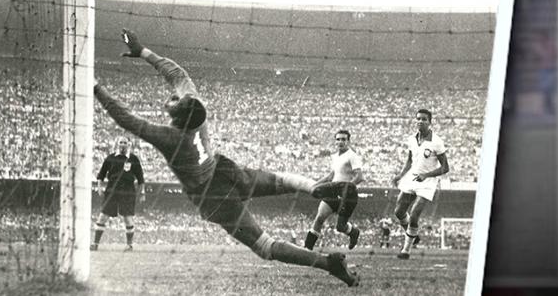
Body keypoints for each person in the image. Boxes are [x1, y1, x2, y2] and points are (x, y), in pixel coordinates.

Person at [93, 28, 359, 286]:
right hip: (226, 170)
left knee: (264, 246)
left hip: (212, 196)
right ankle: (315, 188)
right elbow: (176, 74)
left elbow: (125, 117)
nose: (173, 96)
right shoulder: (197, 109)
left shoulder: (170, 138)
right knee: (281, 181)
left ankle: (327, 263)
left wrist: (95, 87)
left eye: (173, 101)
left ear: (176, 116)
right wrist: (143, 52)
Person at [392, 109, 449, 259]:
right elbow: (410, 160)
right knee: (398, 211)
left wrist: (426, 175)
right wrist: (400, 175)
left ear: (430, 122)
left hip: (428, 181)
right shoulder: (411, 139)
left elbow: (445, 167)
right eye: (418, 119)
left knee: (415, 214)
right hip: (412, 177)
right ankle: (413, 235)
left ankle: (406, 251)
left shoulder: (436, 142)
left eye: (424, 119)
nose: (420, 121)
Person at [304, 130, 363, 250]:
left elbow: (359, 177)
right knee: (319, 217)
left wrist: (346, 188)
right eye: (338, 139)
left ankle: (354, 232)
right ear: (335, 141)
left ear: (348, 141)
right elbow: (331, 175)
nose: (341, 142)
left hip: (347, 195)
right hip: (333, 192)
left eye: (343, 139)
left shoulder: (352, 156)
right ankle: (307, 248)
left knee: (340, 227)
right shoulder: (335, 157)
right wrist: (315, 185)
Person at [91, 135, 146, 251]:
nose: (123, 145)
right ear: (117, 144)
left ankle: (129, 245)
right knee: (102, 217)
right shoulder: (110, 158)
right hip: (112, 190)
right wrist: (100, 188)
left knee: (127, 218)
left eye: (125, 143)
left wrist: (142, 193)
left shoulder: (133, 159)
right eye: (121, 142)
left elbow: (141, 179)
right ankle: (95, 243)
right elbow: (100, 176)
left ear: (129, 144)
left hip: (127, 191)